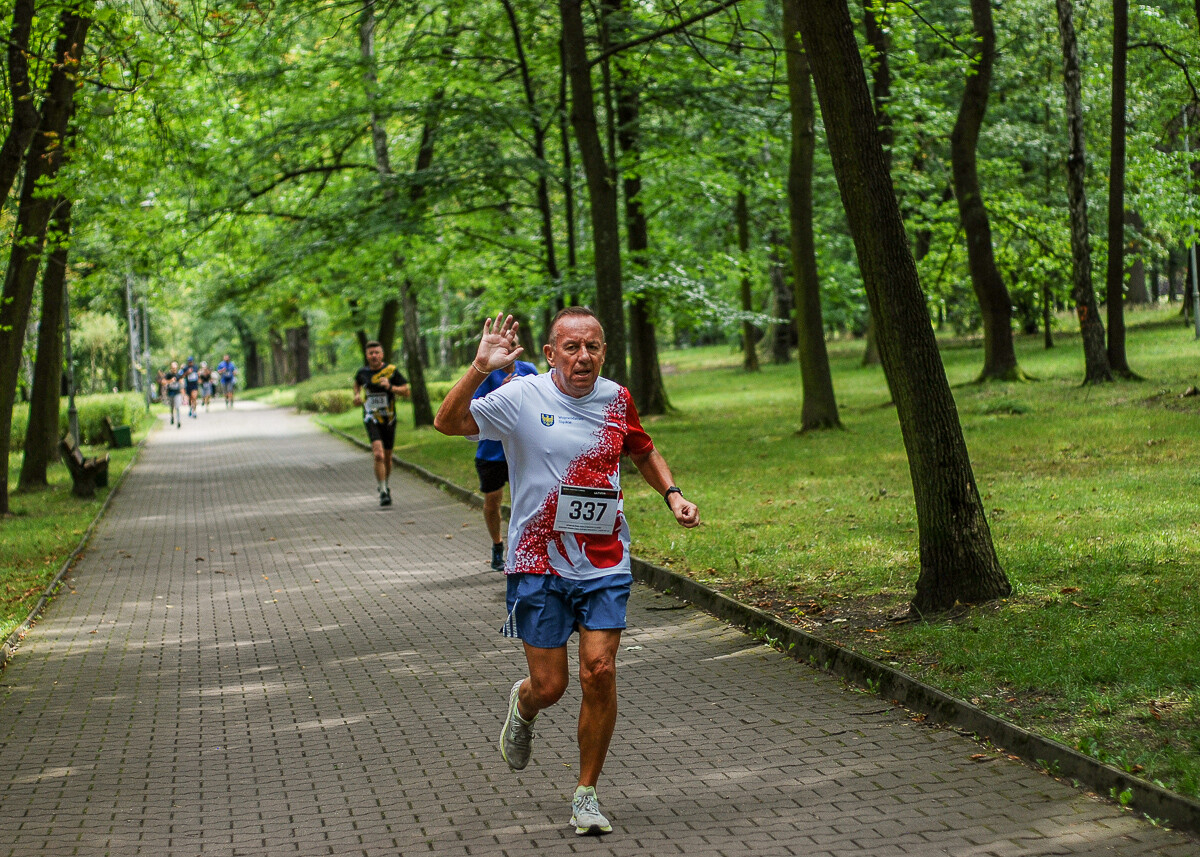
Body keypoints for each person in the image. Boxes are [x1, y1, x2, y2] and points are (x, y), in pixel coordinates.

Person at [433, 308, 699, 837]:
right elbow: (448, 423)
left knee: (599, 671)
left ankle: (586, 793)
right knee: (551, 686)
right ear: (551, 354)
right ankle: (525, 703)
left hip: (603, 559)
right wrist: (479, 368)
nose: (584, 357)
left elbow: (642, 449)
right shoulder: (520, 398)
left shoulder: (616, 399)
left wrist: (672, 494)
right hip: (536, 560)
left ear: (604, 350)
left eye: (593, 347)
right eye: (572, 348)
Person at [472, 357, 539, 570]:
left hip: (522, 450)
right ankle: (497, 545)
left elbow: (542, 400)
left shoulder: (528, 369)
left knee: (529, 502)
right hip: (491, 452)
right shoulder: (486, 373)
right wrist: (501, 393)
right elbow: (473, 407)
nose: (510, 350)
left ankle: (527, 550)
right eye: (506, 345)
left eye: (514, 345)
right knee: (493, 501)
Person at [352, 341, 411, 506]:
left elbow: (406, 391)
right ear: (366, 355)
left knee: (387, 458)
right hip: (371, 418)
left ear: (382, 354)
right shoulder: (362, 373)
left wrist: (390, 387)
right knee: (378, 454)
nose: (374, 356)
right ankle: (383, 490)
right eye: (371, 353)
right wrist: (357, 396)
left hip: (389, 419)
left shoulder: (391, 371)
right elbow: (357, 384)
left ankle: (385, 483)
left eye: (377, 352)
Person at [161, 361, 183, 428]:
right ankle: (172, 416)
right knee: (172, 407)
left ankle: (178, 421)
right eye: (173, 368)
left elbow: (181, 383)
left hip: (177, 393)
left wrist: (181, 383)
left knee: (177, 407)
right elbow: (163, 382)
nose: (174, 369)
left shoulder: (178, 375)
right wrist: (170, 381)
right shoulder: (168, 375)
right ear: (171, 368)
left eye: (175, 368)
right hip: (170, 393)